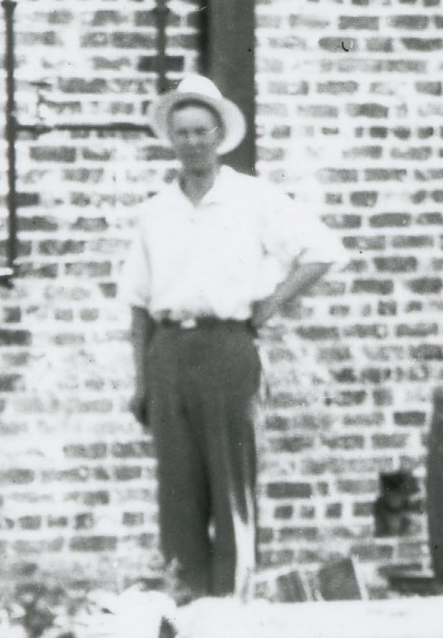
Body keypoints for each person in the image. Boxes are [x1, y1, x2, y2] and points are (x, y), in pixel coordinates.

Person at [119, 72, 336, 605]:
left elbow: (322, 252)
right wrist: (142, 381)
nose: (192, 142)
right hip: (169, 350)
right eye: (182, 133)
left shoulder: (253, 199)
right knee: (178, 489)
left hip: (227, 349)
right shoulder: (153, 212)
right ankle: (186, 604)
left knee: (230, 481)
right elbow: (139, 306)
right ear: (171, 140)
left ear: (219, 136)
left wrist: (271, 305)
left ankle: (229, 610)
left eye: (201, 132)